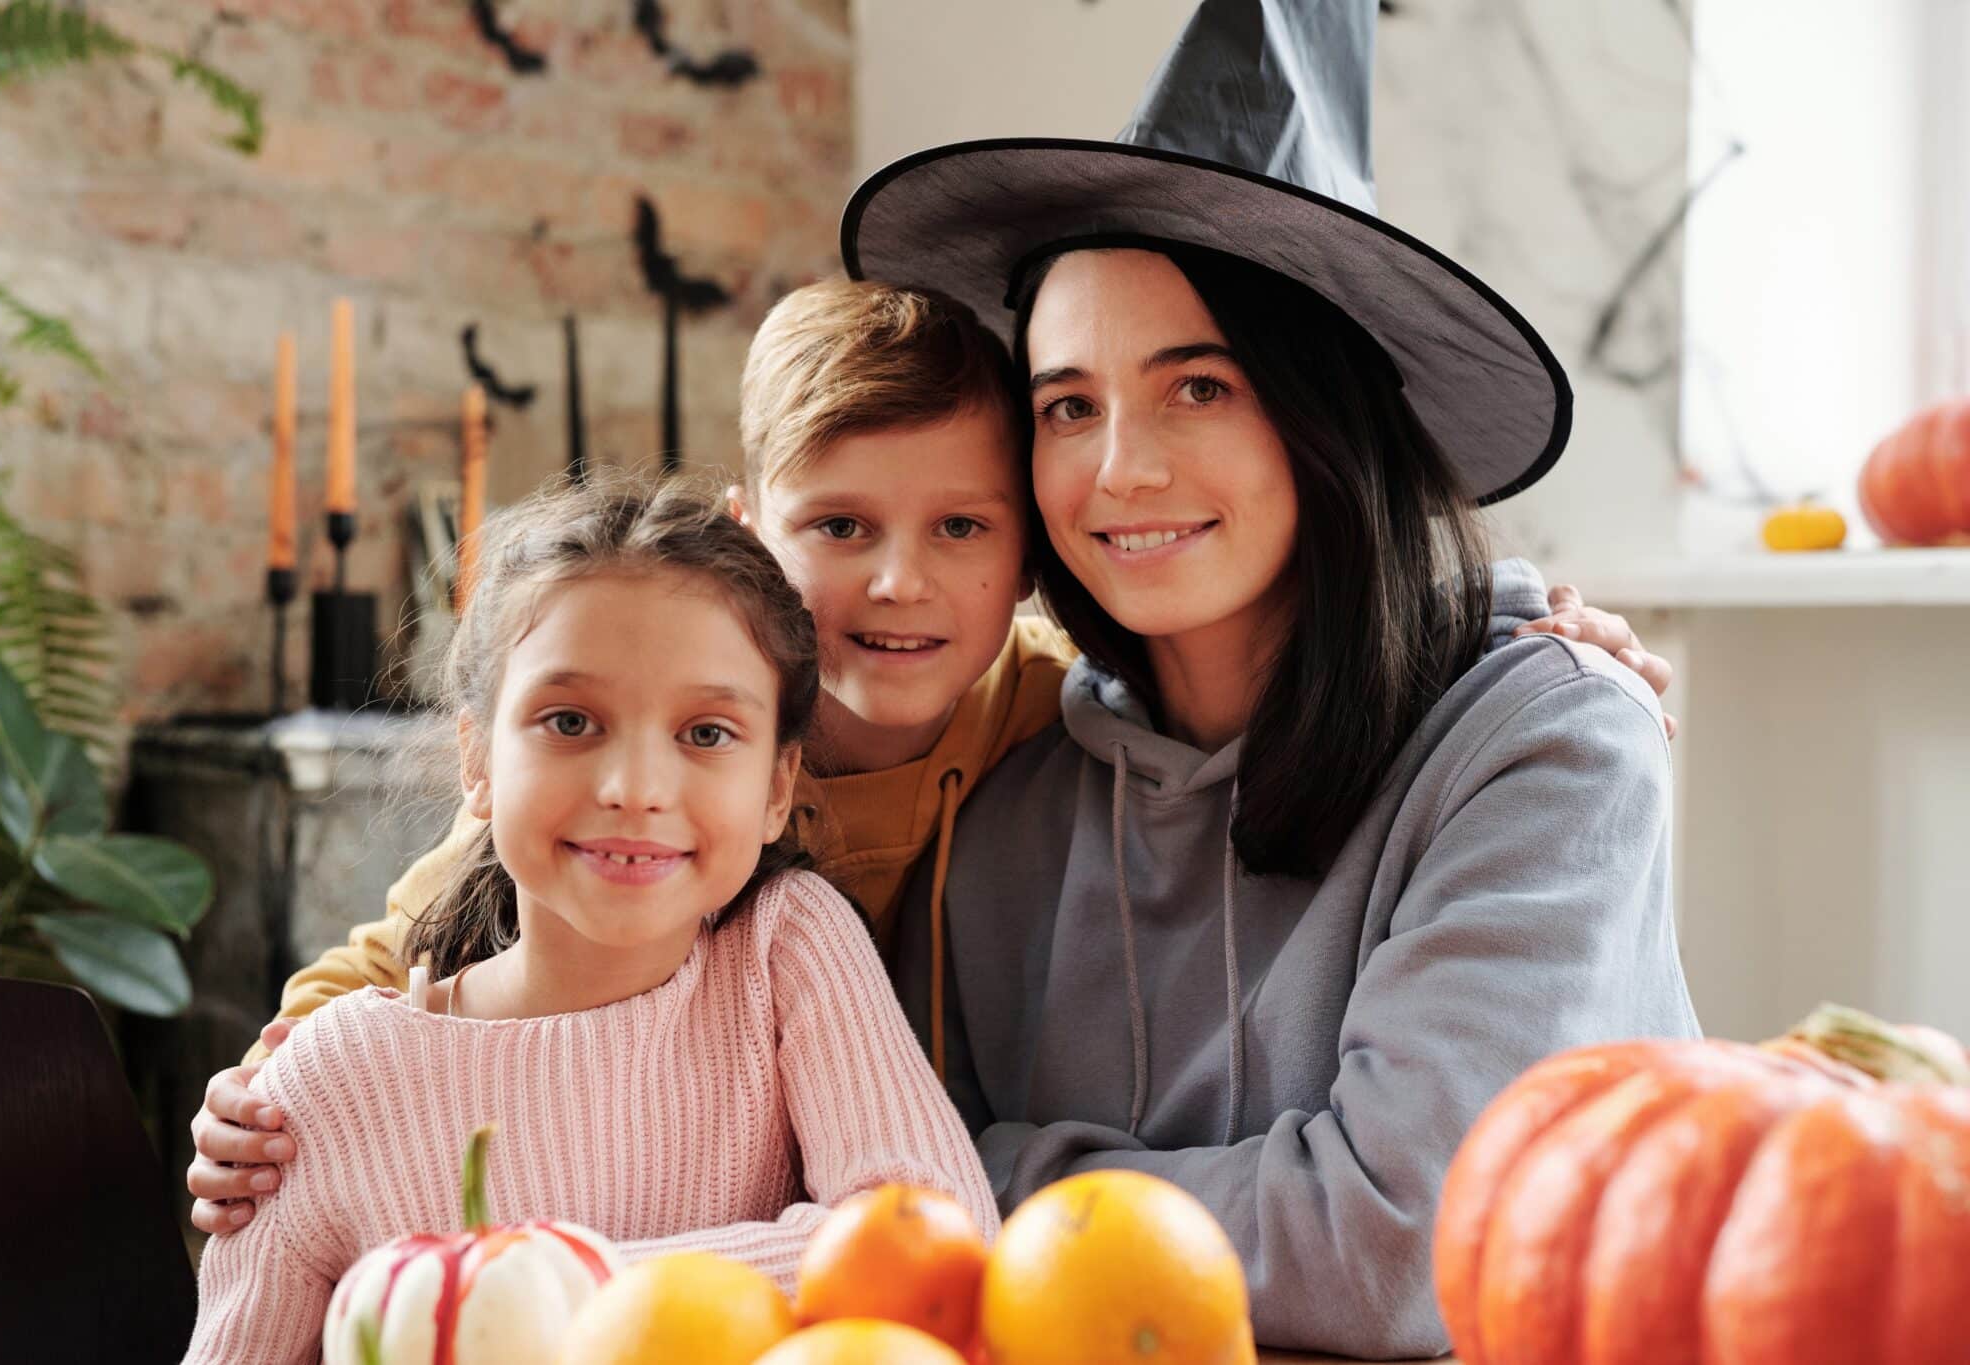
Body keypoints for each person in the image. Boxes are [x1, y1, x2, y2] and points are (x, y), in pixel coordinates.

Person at [186, 277, 1676, 1232]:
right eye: (840, 529)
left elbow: (1336, 619)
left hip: (862, 1226)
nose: (900, 585)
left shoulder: (1041, 709)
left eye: (961, 528)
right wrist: (268, 1098)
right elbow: (419, 933)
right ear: (750, 530)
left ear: (1022, 550)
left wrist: (1509, 615)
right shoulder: (663, 756)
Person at [845, 1, 1699, 1355]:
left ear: (1321, 414)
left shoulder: (1547, 744)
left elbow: (1398, 1249)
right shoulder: (996, 813)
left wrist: (999, 1176)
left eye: (1200, 386)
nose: (1119, 466)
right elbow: (864, 1200)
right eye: (1069, 402)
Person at [183, 480, 995, 1363]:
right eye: (570, 721)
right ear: (478, 758)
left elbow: (935, 1245)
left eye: (708, 733)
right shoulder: (327, 1086)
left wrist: (524, 1299)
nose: (634, 787)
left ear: (775, 787)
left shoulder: (785, 947)